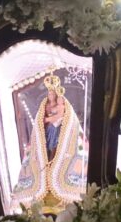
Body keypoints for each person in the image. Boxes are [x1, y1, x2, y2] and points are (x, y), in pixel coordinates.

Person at [10, 73, 87, 214]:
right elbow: (44, 117)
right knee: (48, 149)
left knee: (59, 149)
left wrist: (48, 120)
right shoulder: (46, 104)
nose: (51, 96)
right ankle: (48, 166)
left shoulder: (61, 104)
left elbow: (58, 116)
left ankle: (55, 166)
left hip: (59, 129)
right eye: (49, 93)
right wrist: (44, 121)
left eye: (53, 93)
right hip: (50, 130)